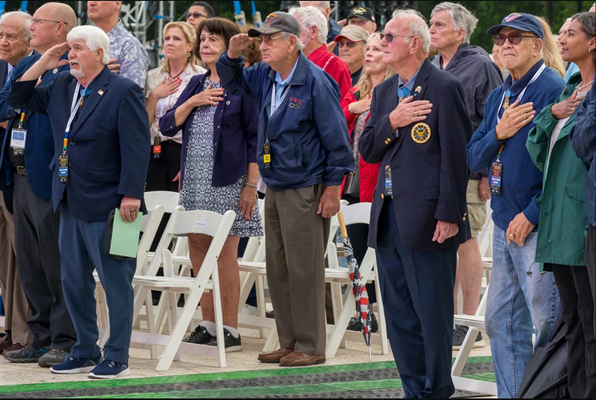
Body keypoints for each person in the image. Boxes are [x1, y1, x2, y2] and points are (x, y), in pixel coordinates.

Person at [7, 25, 150, 379]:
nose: (70, 54)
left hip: (113, 204)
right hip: (68, 197)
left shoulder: (123, 91)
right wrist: (44, 61)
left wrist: (131, 193)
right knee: (73, 279)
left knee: (115, 281)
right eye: (68, 48)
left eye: (77, 48)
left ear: (99, 54)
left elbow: (137, 146)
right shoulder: (63, 86)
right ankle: (85, 349)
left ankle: (116, 355)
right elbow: (18, 97)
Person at [217, 12, 354, 366]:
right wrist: (231, 55)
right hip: (275, 183)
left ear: (291, 43)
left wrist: (333, 187)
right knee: (278, 268)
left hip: (306, 185)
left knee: (304, 268)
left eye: (269, 40)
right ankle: (289, 340)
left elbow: (337, 140)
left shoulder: (315, 81)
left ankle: (310, 346)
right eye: (260, 40)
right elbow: (233, 84)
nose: (262, 46)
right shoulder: (266, 74)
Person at [359, 9, 472, 398]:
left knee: (432, 314)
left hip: (429, 219)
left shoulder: (444, 86)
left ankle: (437, 390)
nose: (382, 43)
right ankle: (413, 389)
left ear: (415, 44)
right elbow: (368, 149)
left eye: (390, 37)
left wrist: (449, 215)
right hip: (389, 217)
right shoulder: (388, 92)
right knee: (400, 316)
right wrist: (393, 120)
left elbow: (456, 157)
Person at [466, 13, 564, 398]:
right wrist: (499, 132)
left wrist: (532, 213)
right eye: (501, 38)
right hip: (506, 223)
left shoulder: (552, 89)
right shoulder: (500, 95)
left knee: (549, 324)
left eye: (516, 38)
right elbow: (473, 158)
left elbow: (562, 168)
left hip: (538, 228)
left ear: (537, 46)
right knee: (500, 324)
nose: (505, 44)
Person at [161, 17, 262, 352]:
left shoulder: (242, 86)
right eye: (202, 39)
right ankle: (207, 324)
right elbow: (166, 125)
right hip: (194, 178)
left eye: (213, 40)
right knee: (198, 248)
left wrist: (251, 184)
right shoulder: (196, 83)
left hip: (228, 179)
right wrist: (192, 102)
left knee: (224, 254)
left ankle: (229, 329)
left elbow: (254, 138)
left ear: (231, 47)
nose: (205, 44)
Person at [0, 4, 79, 368]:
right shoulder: (31, 68)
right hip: (19, 177)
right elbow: (7, 103)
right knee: (31, 265)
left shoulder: (70, 71)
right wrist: (39, 64)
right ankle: (40, 335)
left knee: (55, 264)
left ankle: (64, 339)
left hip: (49, 179)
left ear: (60, 28)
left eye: (37, 22)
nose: (31, 27)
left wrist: (51, 63)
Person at [526, 11, 595, 399]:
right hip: (558, 220)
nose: (562, 39)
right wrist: (550, 113)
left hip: (581, 221)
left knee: (589, 320)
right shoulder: (568, 87)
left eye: (571, 33)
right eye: (562, 33)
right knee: (572, 320)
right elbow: (539, 151)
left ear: (593, 42)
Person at [429, 1, 504, 349]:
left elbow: (494, 122)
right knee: (443, 241)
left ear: (460, 32)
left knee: (466, 240)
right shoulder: (432, 64)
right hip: (435, 170)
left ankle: (470, 321)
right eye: (431, 23)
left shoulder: (481, 65)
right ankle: (447, 316)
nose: (432, 29)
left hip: (469, 171)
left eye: (440, 25)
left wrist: (489, 172)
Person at [340, 32, 395, 333]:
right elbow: (334, 125)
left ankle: (390, 310)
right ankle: (365, 311)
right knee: (357, 250)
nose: (371, 54)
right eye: (369, 49)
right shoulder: (355, 92)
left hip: (381, 182)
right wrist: (352, 109)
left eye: (378, 48)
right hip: (353, 183)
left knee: (383, 249)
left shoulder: (395, 91)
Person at [0, 11, 32, 357]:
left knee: (23, 256)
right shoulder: (1, 67)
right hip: (2, 172)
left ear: (29, 38)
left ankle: (26, 333)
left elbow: (10, 110)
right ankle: (10, 329)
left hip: (23, 174)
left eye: (11, 36)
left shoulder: (36, 68)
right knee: (4, 259)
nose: (3, 42)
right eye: (0, 35)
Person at [145, 22, 205, 193]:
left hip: (182, 151)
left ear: (189, 47)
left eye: (176, 38)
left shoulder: (199, 76)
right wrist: (154, 96)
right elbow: (145, 124)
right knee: (155, 211)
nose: (169, 42)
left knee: (179, 211)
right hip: (154, 151)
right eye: (167, 38)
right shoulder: (153, 76)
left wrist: (189, 165)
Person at [288, 6, 351, 99]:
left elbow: (343, 107)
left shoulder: (336, 65)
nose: (289, 36)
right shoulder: (290, 62)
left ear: (313, 31)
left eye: (294, 30)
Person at [87, 1, 149, 89]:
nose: (92, 3)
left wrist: (98, 77)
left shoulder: (129, 46)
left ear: (117, 4)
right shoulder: (80, 41)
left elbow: (130, 97)